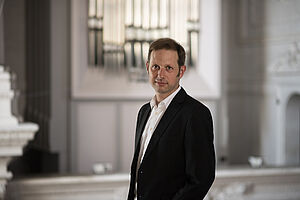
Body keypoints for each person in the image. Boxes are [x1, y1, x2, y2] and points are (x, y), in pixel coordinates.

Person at [127, 38, 215, 200]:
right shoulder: (144, 112)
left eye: (168, 68)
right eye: (155, 67)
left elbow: (201, 180)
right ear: (147, 68)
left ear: (180, 72)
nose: (160, 74)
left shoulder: (195, 114)